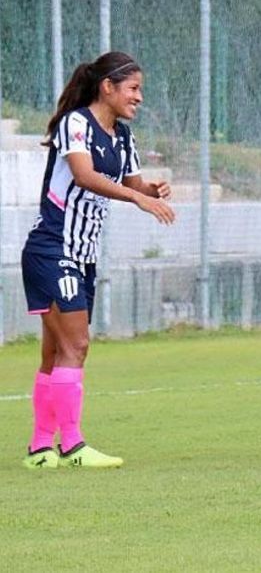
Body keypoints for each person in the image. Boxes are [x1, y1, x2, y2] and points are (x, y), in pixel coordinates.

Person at [21, 51, 175, 470]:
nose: (139, 97)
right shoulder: (76, 123)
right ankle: (72, 446)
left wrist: (151, 190)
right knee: (77, 345)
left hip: (82, 255)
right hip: (53, 248)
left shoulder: (122, 136)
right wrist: (138, 198)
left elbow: (132, 181)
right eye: (133, 88)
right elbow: (85, 174)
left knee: (56, 351)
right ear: (107, 87)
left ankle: (39, 449)